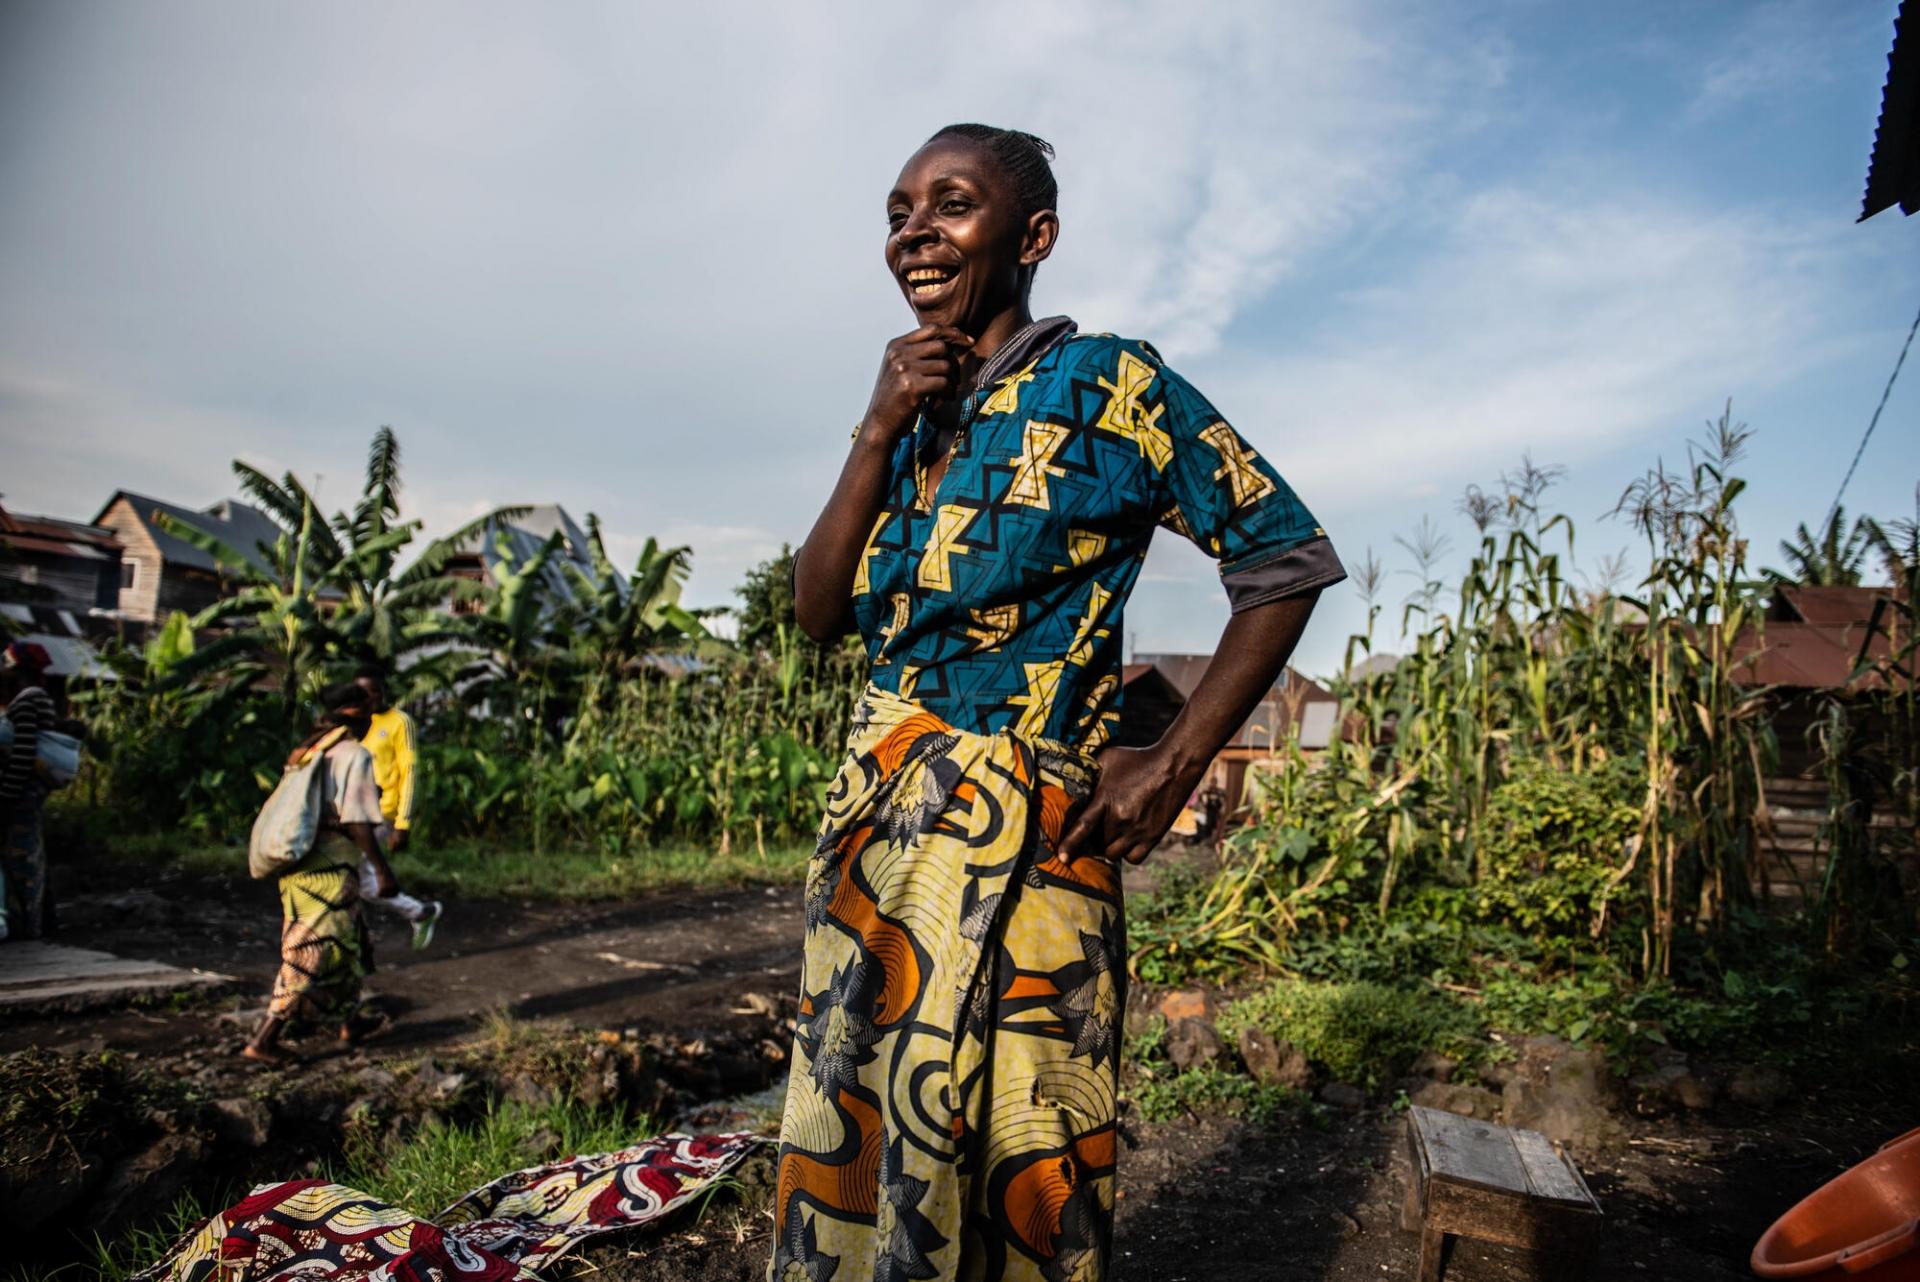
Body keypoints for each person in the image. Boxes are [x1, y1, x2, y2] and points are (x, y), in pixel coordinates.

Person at [771, 125, 1344, 1282]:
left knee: (1028, 1156)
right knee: (860, 1129)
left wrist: (1173, 761)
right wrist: (877, 425)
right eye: (898, 211)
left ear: (1032, 238)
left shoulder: (1110, 385)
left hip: (1034, 838)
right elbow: (819, 612)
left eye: (951, 205)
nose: (915, 233)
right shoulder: (911, 408)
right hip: (877, 849)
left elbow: (1284, 559)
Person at [243, 683, 403, 1064]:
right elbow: (357, 822)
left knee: (348, 942)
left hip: (305, 864)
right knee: (313, 949)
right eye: (368, 709)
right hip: (327, 867)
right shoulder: (354, 755)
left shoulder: (311, 750)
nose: (371, 717)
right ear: (353, 710)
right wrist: (382, 870)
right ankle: (265, 1038)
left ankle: (350, 1021)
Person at [352, 664, 441, 950]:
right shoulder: (356, 723)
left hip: (382, 814)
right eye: (361, 694)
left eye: (372, 692)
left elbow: (409, 773)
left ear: (382, 692)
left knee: (364, 882)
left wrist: (403, 823)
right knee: (351, 879)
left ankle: (418, 911)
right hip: (353, 813)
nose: (368, 699)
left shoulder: (398, 723)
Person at [0, 640, 57, 942]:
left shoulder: (28, 700)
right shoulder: (32, 698)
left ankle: (30, 926)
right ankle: (34, 921)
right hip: (25, 792)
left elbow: (23, 755)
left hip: (22, 794)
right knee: (28, 858)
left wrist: (7, 796)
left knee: (24, 861)